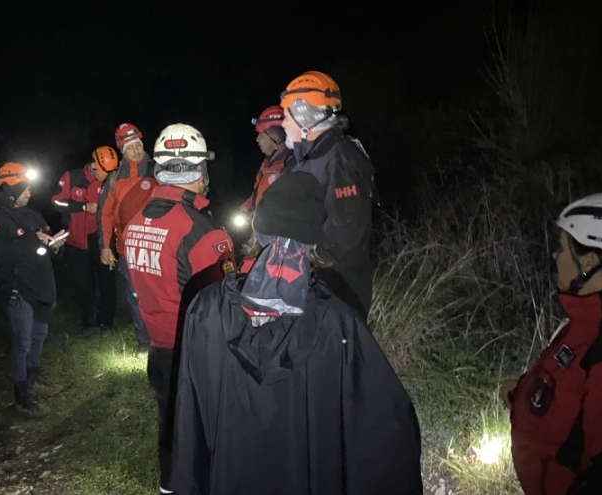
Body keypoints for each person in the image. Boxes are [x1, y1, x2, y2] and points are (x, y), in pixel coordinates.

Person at [169, 171, 423, 494]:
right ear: (315, 242)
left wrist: (186, 481)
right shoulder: (336, 321)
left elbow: (189, 415)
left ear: (257, 229)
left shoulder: (206, 309)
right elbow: (385, 428)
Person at [500, 190, 602, 495]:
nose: (555, 256)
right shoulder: (591, 318)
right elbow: (570, 392)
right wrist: (523, 393)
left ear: (589, 260)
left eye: (563, 247)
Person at [124, 123, 236, 493]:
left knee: (170, 426)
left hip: (159, 349)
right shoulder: (203, 231)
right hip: (196, 353)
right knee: (205, 432)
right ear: (199, 170)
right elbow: (224, 304)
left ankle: (169, 485)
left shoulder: (136, 223)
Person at [279, 70, 376, 320]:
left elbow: (346, 234)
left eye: (286, 116)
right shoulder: (302, 159)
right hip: (307, 282)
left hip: (338, 287)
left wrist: (309, 257)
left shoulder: (341, 158)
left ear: (304, 116)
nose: (283, 124)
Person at [0, 162, 65, 418]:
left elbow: (45, 241)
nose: (29, 192)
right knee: (23, 340)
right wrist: (33, 239)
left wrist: (55, 245)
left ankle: (33, 379)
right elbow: (1, 254)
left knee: (39, 335)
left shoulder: (32, 214)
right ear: (11, 190)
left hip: (42, 286)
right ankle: (21, 396)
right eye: (25, 188)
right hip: (18, 288)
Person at [98, 123, 157, 354]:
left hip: (158, 246)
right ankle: (144, 340)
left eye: (139, 145)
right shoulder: (114, 179)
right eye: (131, 147)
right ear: (122, 150)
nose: (137, 150)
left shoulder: (157, 171)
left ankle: (165, 338)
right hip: (127, 249)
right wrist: (105, 246)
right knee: (135, 296)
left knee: (160, 293)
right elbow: (104, 214)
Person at [51, 147, 118, 335]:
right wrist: (82, 206)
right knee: (84, 284)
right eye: (105, 172)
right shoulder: (71, 177)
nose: (107, 176)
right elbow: (56, 202)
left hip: (105, 241)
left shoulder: (112, 180)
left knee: (109, 280)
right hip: (77, 243)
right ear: (94, 165)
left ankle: (107, 322)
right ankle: (89, 323)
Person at [238, 105, 293, 216]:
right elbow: (258, 193)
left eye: (261, 135)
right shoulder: (266, 164)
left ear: (276, 137)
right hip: (260, 223)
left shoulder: (291, 166)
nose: (257, 139)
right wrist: (249, 205)